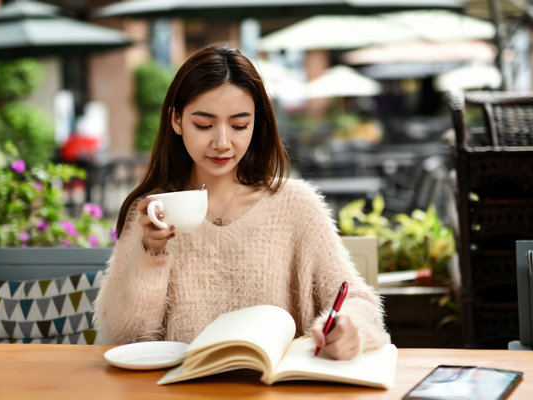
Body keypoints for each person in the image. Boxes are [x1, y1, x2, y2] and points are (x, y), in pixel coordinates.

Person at [93, 45, 389, 360]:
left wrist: (349, 327)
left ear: (257, 124)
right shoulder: (153, 210)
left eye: (238, 125)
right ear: (176, 120)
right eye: (204, 125)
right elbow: (123, 339)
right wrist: (151, 254)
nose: (222, 142)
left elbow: (358, 300)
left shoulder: (296, 206)